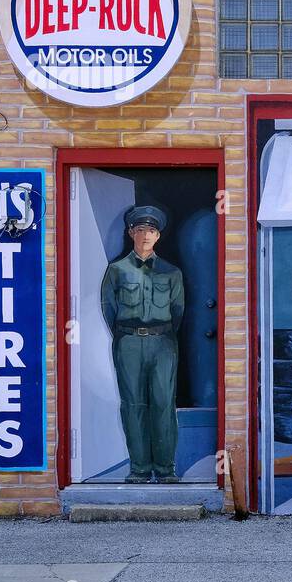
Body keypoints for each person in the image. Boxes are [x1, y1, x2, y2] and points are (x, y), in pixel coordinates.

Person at [100, 205, 185, 483]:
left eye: (151, 230)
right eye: (140, 230)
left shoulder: (171, 272)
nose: (145, 235)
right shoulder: (117, 270)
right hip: (129, 343)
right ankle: (139, 468)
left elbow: (178, 312)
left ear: (158, 236)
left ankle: (164, 469)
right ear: (130, 233)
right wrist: (128, 334)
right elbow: (108, 308)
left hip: (163, 343)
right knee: (133, 405)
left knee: (163, 403)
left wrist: (161, 335)